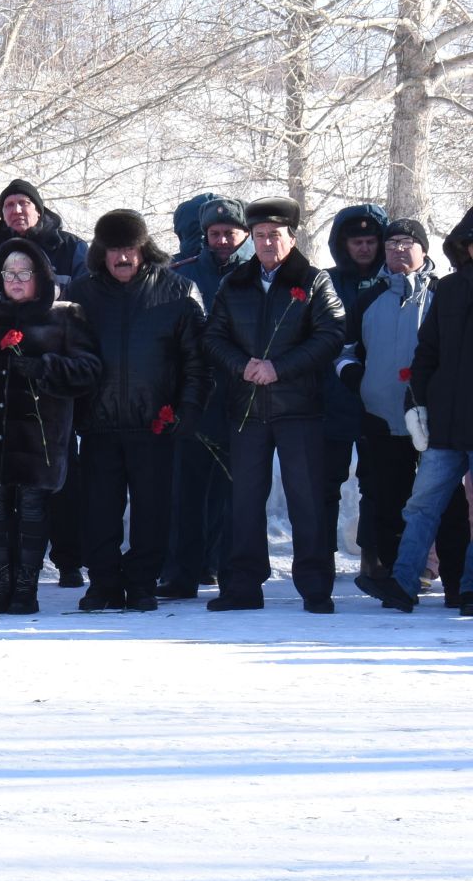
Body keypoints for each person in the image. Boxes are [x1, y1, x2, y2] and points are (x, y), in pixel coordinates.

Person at [0, 241, 101, 614]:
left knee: (32, 507)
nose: (15, 280)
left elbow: (89, 370)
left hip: (38, 437)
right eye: (8, 274)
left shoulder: (65, 314)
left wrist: (46, 367)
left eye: (23, 273)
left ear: (39, 277)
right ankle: (1, 586)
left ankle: (26, 589)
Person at [202, 197, 346, 611]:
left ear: (292, 238)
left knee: (307, 500)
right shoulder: (237, 283)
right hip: (246, 407)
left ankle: (315, 586)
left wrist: (279, 368)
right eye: (260, 235)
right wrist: (242, 366)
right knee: (244, 500)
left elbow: (332, 334)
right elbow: (213, 336)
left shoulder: (314, 281)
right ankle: (244, 585)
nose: (267, 243)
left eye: (275, 235)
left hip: (299, 407)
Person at [62, 210, 209, 611]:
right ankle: (104, 584)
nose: (122, 257)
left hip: (155, 425)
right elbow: (66, 356)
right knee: (99, 512)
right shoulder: (81, 294)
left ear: (143, 248)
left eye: (129, 248)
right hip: (98, 424)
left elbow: (197, 362)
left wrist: (188, 409)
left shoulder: (179, 291)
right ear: (101, 253)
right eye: (113, 250)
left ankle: (142, 583)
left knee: (152, 511)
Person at [351, 213, 471, 613]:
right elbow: (426, 355)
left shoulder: (438, 289)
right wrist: (412, 401)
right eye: (393, 243)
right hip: (423, 420)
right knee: (411, 505)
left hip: (452, 418)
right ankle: (402, 584)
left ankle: (464, 586)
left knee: (460, 510)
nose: (399, 249)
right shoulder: (446, 291)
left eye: (408, 243)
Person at [160, 195, 252, 598]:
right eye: (214, 234)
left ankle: (224, 567)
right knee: (186, 489)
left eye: (229, 233)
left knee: (234, 490)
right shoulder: (179, 275)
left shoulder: (258, 274)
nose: (221, 240)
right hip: (195, 395)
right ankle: (182, 572)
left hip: (244, 395)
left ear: (243, 234)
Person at [322, 204, 388, 571]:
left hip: (377, 399)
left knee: (375, 484)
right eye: (356, 241)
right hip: (333, 397)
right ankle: (322, 557)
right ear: (343, 244)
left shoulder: (392, 281)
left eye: (370, 241)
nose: (364, 248)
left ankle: (371, 555)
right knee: (326, 482)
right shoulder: (325, 281)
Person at [0, 179, 89, 316]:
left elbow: (87, 299)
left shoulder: (71, 248)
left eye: (24, 203)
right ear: (3, 214)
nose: (16, 210)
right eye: (9, 205)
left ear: (38, 210)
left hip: (57, 334)